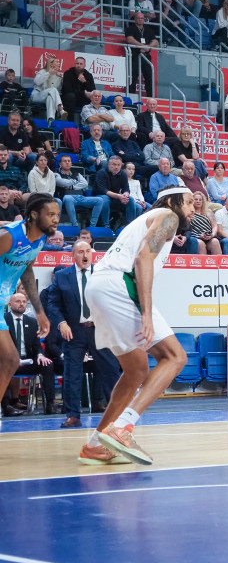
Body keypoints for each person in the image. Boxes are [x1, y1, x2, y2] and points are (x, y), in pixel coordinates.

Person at [78, 187, 193, 465]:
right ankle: (123, 428)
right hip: (118, 285)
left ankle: (96, 444)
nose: (193, 207)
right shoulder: (168, 215)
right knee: (175, 357)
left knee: (136, 370)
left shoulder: (148, 218)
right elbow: (143, 259)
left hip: (99, 285)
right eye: (189, 202)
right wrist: (146, 312)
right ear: (170, 200)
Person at [45, 241, 120, 428]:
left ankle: (116, 413)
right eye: (80, 252)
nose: (85, 255)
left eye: (88, 251)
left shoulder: (102, 274)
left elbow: (114, 299)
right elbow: (52, 303)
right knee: (72, 374)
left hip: (100, 329)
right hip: (74, 331)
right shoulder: (62, 277)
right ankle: (73, 415)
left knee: (110, 370)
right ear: (73, 255)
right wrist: (61, 323)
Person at [3, 290, 56, 416]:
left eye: (24, 302)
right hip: (8, 361)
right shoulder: (3, 321)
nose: (22, 304)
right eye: (18, 301)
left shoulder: (32, 322)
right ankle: (6, 405)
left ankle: (50, 404)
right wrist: (12, 359)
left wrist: (40, 355)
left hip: (27, 360)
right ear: (10, 304)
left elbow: (37, 346)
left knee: (47, 364)